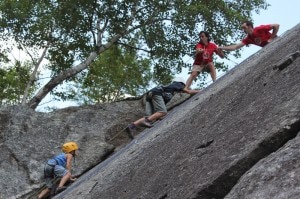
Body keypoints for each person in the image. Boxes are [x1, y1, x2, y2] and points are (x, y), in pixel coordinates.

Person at [126, 77, 199, 139]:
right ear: (182, 84)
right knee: (163, 112)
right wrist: (199, 91)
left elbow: (159, 107)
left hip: (150, 94)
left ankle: (132, 126)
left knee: (151, 116)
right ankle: (146, 120)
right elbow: (188, 91)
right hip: (156, 93)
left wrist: (158, 117)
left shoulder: (169, 91)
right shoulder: (177, 84)